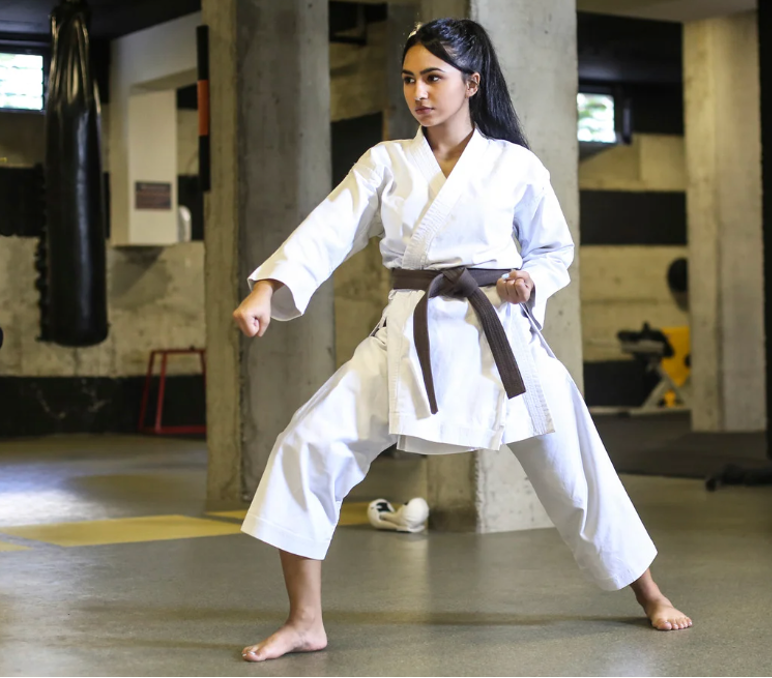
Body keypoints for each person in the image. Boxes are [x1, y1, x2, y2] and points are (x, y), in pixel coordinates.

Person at [233, 18, 691, 663]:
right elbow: (326, 230)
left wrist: (531, 278)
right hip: (408, 329)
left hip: (499, 337)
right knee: (308, 442)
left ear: (472, 83)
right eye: (410, 79)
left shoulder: (515, 165)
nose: (419, 92)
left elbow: (554, 249)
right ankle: (305, 619)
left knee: (577, 470)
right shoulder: (385, 162)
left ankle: (648, 592)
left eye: (433, 78)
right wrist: (268, 287)